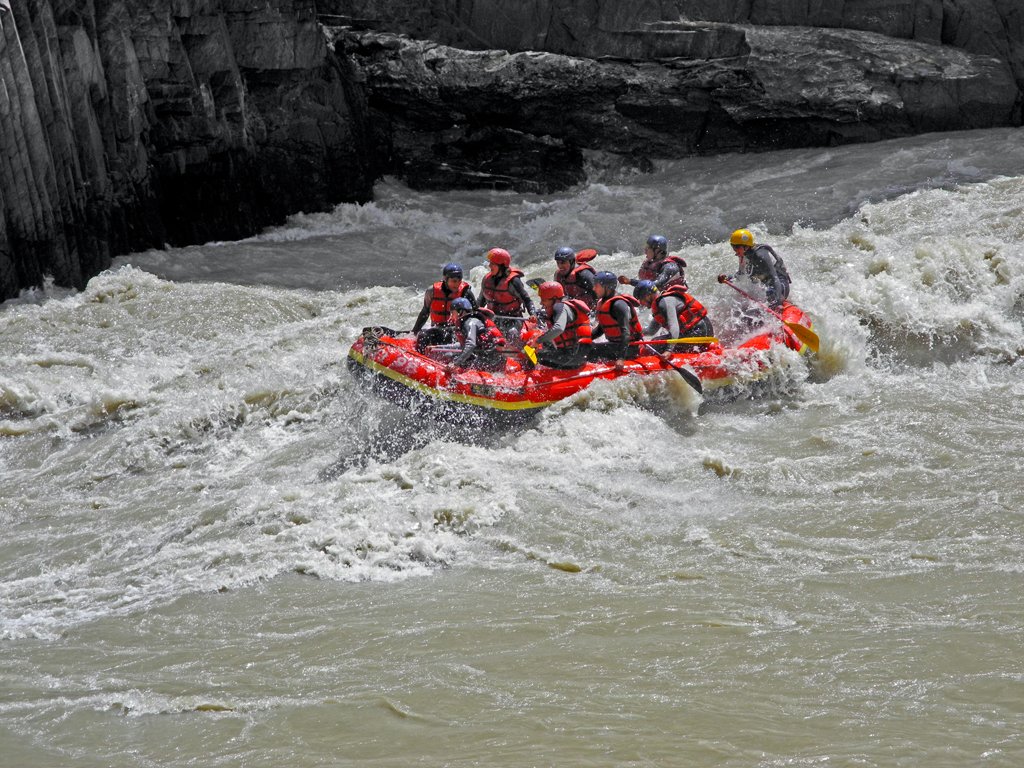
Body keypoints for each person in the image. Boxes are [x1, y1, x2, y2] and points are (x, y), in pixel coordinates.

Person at [717, 229, 791, 308]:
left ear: (746, 246)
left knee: (770, 294)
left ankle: (780, 303)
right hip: (767, 285)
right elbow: (740, 275)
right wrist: (728, 278)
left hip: (781, 284)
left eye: (736, 247)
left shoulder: (761, 255)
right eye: (733, 247)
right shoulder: (743, 256)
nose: (735, 251)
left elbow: (774, 278)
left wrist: (777, 302)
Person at [633, 279, 714, 351]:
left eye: (641, 300)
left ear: (648, 296)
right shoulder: (659, 305)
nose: (641, 304)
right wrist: (634, 334)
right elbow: (651, 331)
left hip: (699, 332)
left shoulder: (663, 304)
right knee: (655, 341)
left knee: (654, 345)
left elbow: (674, 327)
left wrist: (669, 350)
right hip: (704, 331)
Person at [411, 262, 477, 348]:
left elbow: (475, 313)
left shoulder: (466, 292)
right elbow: (425, 312)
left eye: (459, 281)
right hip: (437, 329)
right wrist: (414, 332)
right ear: (446, 279)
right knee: (423, 335)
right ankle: (420, 357)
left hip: (456, 331)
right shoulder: (432, 291)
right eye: (454, 281)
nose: (457, 284)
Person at [530, 281, 592, 369]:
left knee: (534, 355)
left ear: (555, 298)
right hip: (574, 354)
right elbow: (545, 316)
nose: (541, 303)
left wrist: (538, 341)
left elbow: (558, 328)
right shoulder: (558, 307)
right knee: (545, 345)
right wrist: (535, 316)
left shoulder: (560, 307)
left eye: (543, 300)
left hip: (574, 357)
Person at [588, 271, 643, 365]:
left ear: (607, 287)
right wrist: (584, 339)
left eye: (596, 286)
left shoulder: (619, 304)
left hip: (630, 348)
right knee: (586, 347)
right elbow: (600, 330)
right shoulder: (604, 302)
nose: (593, 288)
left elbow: (626, 333)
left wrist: (621, 358)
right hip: (615, 346)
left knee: (590, 351)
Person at [479, 247, 537, 336]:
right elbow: (480, 302)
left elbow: (526, 300)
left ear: (501, 266)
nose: (489, 266)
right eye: (490, 263)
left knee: (511, 333)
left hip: (513, 319)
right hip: (494, 318)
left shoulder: (513, 282)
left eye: (493, 264)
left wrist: (533, 314)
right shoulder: (486, 280)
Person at [438, 297, 507, 371]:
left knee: (449, 356)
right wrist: (439, 347)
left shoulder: (470, 323)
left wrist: (455, 364)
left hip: (490, 360)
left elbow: (471, 345)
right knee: (449, 354)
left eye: (452, 313)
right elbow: (462, 345)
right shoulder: (469, 321)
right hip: (489, 357)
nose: (451, 316)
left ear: (460, 311)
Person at [618, 234, 687, 290]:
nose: (645, 251)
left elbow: (657, 284)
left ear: (657, 251)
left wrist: (631, 282)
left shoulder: (670, 267)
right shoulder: (649, 263)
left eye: (648, 248)